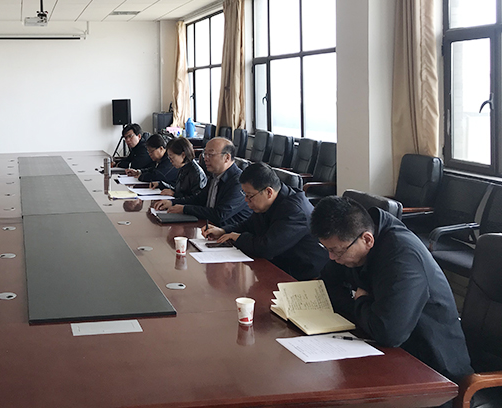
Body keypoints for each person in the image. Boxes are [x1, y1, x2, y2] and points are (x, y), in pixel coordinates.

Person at [309, 196, 473, 383]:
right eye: (327, 249)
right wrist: (363, 308)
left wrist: (361, 302)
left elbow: (388, 333)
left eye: (336, 251)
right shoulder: (352, 243)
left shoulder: (402, 258)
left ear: (367, 239)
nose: (331, 257)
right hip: (386, 351)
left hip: (434, 370)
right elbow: (327, 284)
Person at [202, 163, 328, 281]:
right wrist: (223, 230)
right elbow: (249, 225)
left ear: (268, 192)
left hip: (300, 275)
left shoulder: (295, 212)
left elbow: (267, 248)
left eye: (249, 196)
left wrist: (238, 237)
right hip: (280, 264)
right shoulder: (269, 201)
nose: (246, 200)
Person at [155, 137, 251, 227]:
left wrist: (185, 209)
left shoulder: (238, 182)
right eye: (205, 154)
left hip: (227, 233)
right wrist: (172, 202)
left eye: (211, 154)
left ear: (227, 158)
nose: (205, 158)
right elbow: (199, 199)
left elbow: (219, 214)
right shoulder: (214, 176)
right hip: (209, 227)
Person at [149, 136, 207, 201]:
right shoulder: (183, 167)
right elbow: (179, 190)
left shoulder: (195, 173)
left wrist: (175, 194)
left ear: (183, 155)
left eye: (172, 157)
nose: (170, 161)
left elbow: (196, 200)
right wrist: (161, 184)